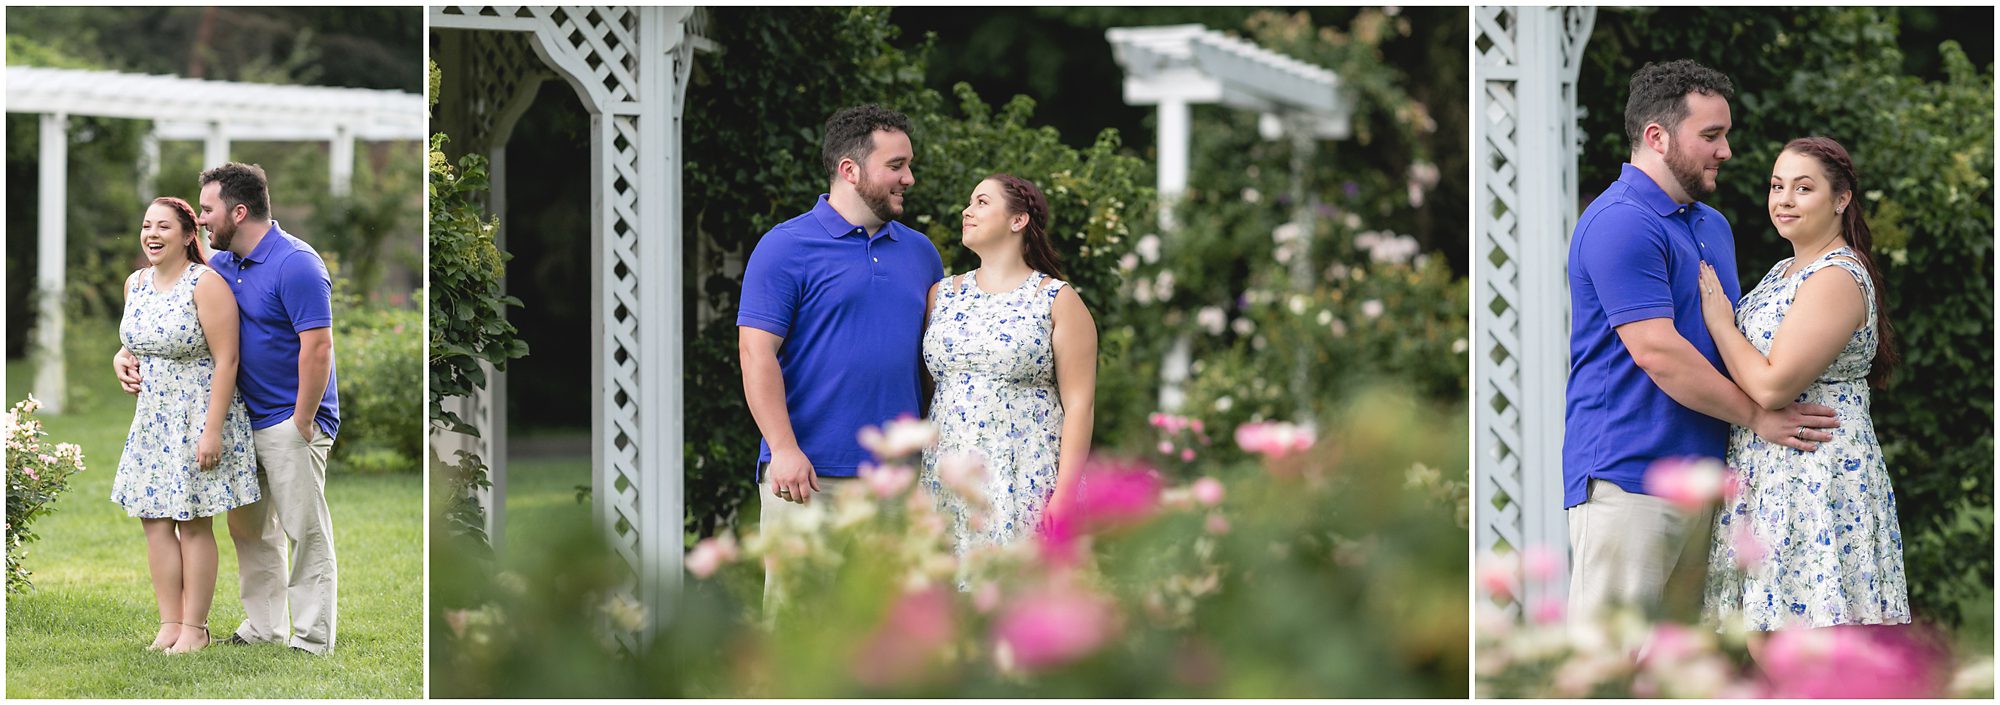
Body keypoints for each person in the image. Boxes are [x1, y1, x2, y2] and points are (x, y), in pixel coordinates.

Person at [1562, 60, 1840, 624]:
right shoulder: (1620, 221)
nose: (1727, 151)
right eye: (1711, 135)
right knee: (1607, 671)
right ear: (1656, 137)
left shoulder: (1711, 225)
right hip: (1630, 478)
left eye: (1726, 135)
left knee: (1681, 670)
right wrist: (1759, 416)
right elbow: (1658, 354)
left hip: (1709, 479)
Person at [115, 163, 342, 654]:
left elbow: (318, 348)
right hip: (243, 419)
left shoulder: (296, 263)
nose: (201, 219)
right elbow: (173, 326)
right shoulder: (223, 265)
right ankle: (264, 627)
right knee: (251, 532)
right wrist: (125, 352)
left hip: (288, 419)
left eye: (208, 209)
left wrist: (303, 420)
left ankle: (313, 635)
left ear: (238, 212)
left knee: (304, 529)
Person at [1698, 136, 1910, 633]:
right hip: (1770, 472)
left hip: (1817, 474)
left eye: (1803, 187)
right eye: (1777, 186)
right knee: (1764, 643)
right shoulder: (1783, 271)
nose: (1784, 199)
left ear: (1841, 200)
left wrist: (1721, 323)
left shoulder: (1836, 275)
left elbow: (1772, 387)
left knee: (1802, 652)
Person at [737, 105, 944, 611]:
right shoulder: (784, 247)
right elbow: (755, 351)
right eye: (896, 165)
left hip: (896, 480)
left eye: (908, 165)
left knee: (893, 638)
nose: (909, 178)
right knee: (798, 634)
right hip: (807, 478)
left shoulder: (922, 254)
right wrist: (782, 450)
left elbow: (936, 362)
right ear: (850, 170)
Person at [112, 196, 261, 654]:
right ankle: (169, 624)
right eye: (146, 226)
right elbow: (135, 342)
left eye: (163, 227)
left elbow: (227, 359)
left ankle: (196, 628)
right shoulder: (135, 283)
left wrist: (212, 430)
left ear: (187, 235)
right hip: (153, 420)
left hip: (198, 415)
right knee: (154, 521)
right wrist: (120, 358)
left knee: (194, 523)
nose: (152, 235)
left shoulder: (206, 283)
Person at [919, 174, 1096, 556]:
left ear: (1018, 221)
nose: (968, 211)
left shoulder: (1055, 300)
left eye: (982, 202)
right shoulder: (942, 296)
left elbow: (1080, 406)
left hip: (1024, 476)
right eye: (969, 202)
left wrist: (1064, 495)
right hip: (949, 475)